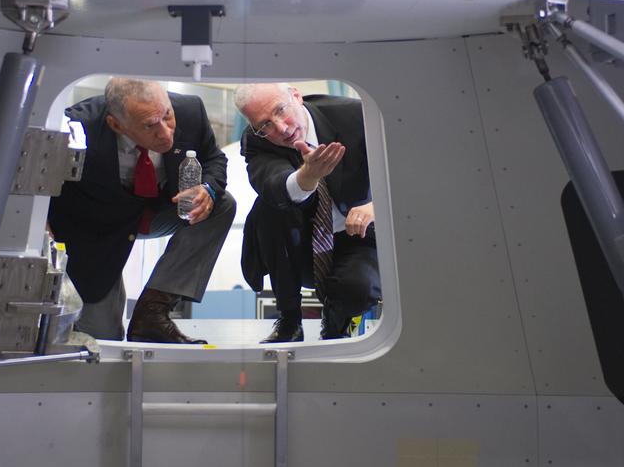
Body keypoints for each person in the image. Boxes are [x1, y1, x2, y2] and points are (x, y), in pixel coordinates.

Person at [48, 78, 235, 343]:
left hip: (158, 211)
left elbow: (214, 158)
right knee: (103, 339)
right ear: (116, 124)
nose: (166, 133)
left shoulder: (191, 111)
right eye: (150, 125)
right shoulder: (79, 127)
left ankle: (153, 311)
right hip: (95, 230)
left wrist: (208, 189)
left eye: (167, 116)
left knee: (221, 204)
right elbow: (43, 185)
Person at [235, 83, 380, 342]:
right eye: (265, 124)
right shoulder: (256, 141)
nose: (280, 128)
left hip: (358, 235)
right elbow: (272, 183)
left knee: (358, 288)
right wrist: (307, 177)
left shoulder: (357, 116)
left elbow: (405, 169)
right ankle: (289, 320)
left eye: (281, 110)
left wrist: (376, 206)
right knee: (268, 204)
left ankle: (337, 322)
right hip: (298, 246)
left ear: (296, 96)